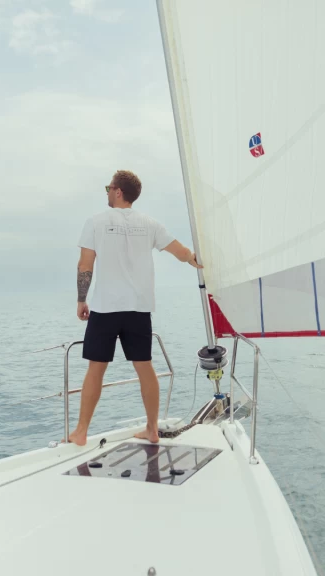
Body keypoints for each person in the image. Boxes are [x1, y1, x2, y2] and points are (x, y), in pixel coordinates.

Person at [68, 170, 201, 446]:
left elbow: (85, 265)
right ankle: (152, 430)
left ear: (118, 191)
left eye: (108, 187)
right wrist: (195, 259)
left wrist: (82, 299)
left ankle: (81, 433)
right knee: (145, 367)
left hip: (105, 308)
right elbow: (180, 252)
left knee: (96, 369)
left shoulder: (95, 222)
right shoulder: (150, 224)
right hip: (139, 308)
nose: (106, 192)